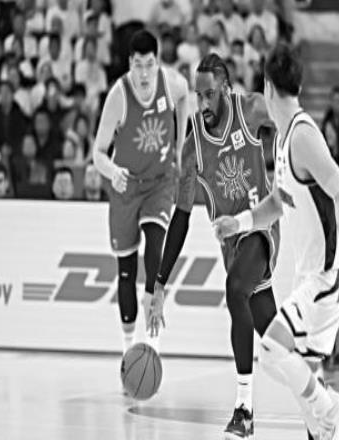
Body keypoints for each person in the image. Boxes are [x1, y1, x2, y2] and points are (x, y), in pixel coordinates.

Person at [214, 44, 339, 440]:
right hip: (309, 275)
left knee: (271, 351)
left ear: (267, 86)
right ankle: (323, 419)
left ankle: (331, 407)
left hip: (325, 277)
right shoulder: (282, 138)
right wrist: (238, 223)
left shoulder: (302, 137)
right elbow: (279, 203)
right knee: (305, 384)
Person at [149, 53, 279, 440]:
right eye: (198, 95)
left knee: (235, 290)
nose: (203, 103)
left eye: (209, 94)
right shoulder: (192, 148)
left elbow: (290, 119)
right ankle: (317, 396)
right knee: (275, 340)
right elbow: (181, 218)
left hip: (261, 227)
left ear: (225, 89)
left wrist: (295, 165)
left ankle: (244, 409)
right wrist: (160, 283)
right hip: (232, 246)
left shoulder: (251, 109)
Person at [92, 29, 189, 354]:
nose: (144, 73)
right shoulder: (118, 97)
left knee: (155, 247)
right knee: (126, 271)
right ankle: (127, 349)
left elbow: (185, 97)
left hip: (160, 181)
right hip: (127, 187)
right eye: (138, 65)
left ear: (157, 62)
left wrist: (180, 147)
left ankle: (152, 340)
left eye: (149, 65)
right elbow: (97, 153)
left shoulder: (170, 82)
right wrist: (113, 171)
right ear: (129, 64)